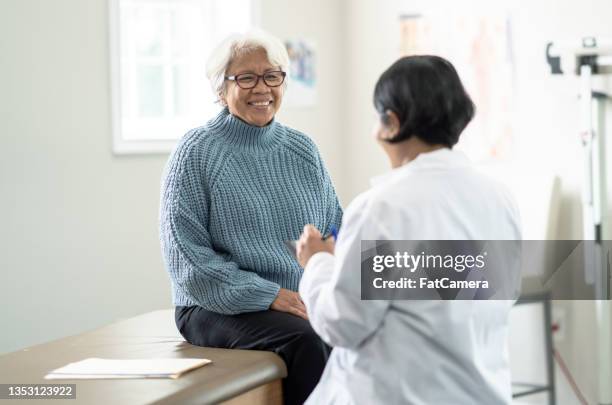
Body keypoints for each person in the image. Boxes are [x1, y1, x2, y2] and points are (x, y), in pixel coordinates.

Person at [296, 55, 522, 404]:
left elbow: (342, 325)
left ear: (391, 122)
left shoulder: (382, 207)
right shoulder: (500, 197)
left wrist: (318, 263)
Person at [159, 30, 342, 405]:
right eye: (246, 77)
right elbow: (189, 263)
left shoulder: (303, 150)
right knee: (306, 340)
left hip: (296, 299)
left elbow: (334, 229)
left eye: (272, 76)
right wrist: (269, 294)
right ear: (220, 89)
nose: (262, 88)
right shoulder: (196, 152)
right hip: (211, 304)